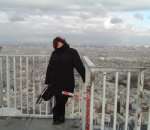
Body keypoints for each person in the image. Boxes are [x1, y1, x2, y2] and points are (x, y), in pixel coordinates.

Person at [45, 37, 85, 125]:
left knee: (63, 100)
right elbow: (50, 67)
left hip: (67, 82)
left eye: (60, 42)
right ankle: (58, 118)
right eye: (56, 43)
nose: (58, 44)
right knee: (58, 99)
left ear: (63, 42)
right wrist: (48, 81)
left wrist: (84, 76)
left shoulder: (72, 52)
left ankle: (58, 116)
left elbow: (79, 65)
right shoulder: (54, 53)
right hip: (56, 82)